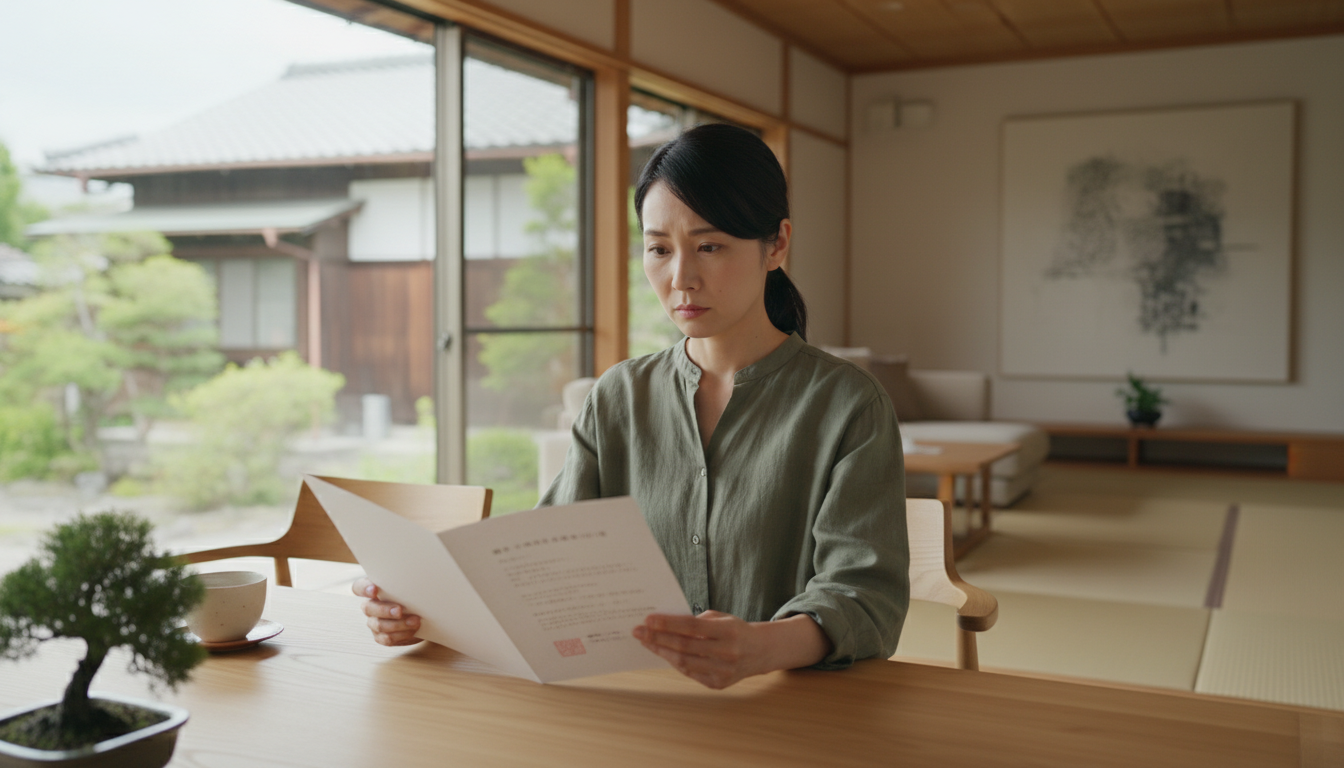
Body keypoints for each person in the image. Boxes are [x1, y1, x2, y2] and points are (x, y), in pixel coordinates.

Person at [356, 123, 909, 690]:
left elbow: (867, 597)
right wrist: (423, 612)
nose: (681, 278)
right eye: (659, 249)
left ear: (777, 245)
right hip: (630, 698)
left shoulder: (848, 405)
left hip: (784, 707)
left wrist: (760, 647)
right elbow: (544, 563)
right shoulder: (619, 395)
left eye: (709, 246)